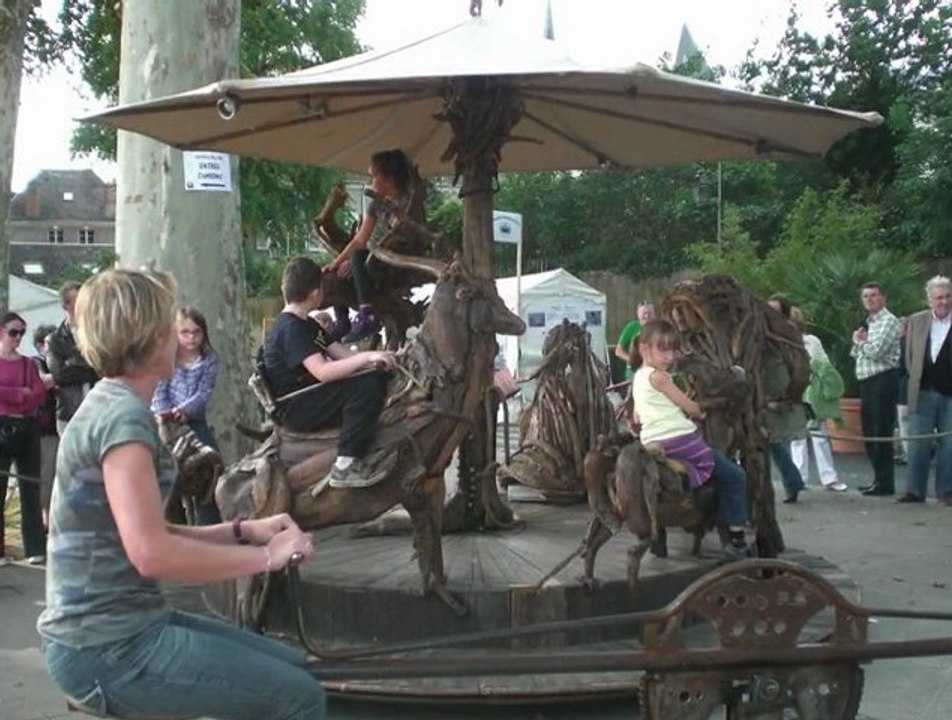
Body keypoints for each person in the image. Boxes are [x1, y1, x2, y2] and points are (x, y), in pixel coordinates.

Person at [37, 269, 323, 720]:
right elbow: (152, 555)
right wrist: (268, 557)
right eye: (171, 326)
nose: (179, 336)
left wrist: (243, 530)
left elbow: (153, 532)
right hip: (105, 648)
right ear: (153, 337)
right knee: (300, 697)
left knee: (298, 670)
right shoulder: (123, 420)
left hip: (122, 630)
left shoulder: (115, 404)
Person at [262, 256, 396, 489]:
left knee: (374, 376)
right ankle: (346, 464)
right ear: (316, 294)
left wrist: (379, 356)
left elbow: (340, 354)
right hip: (296, 406)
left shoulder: (308, 324)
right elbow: (322, 372)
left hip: (308, 394)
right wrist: (367, 358)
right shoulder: (291, 329)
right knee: (364, 389)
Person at [630, 319, 750, 559]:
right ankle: (736, 538)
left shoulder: (638, 378)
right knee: (736, 476)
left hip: (652, 441)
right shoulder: (661, 377)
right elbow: (689, 406)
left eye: (672, 351)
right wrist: (699, 412)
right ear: (644, 348)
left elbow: (636, 416)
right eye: (663, 350)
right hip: (680, 440)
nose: (669, 357)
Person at [325, 148, 413, 343]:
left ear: (388, 179)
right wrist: (336, 263)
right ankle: (342, 321)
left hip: (394, 261)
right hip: (371, 257)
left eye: (373, 176)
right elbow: (359, 239)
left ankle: (368, 316)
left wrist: (357, 261)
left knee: (357, 257)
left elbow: (399, 237)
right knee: (339, 271)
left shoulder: (408, 203)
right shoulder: (376, 205)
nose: (370, 181)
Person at [152, 306, 222, 524]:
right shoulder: (166, 358)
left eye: (196, 332)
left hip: (195, 421)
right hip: (166, 426)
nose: (191, 338)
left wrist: (184, 410)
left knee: (211, 467)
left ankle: (209, 525)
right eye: (185, 332)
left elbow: (204, 394)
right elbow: (159, 391)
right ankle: (173, 526)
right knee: (165, 475)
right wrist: (167, 415)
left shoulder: (209, 359)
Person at [897, 276, 952, 505]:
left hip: (950, 394)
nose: (944, 301)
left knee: (949, 444)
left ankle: (946, 492)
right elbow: (908, 356)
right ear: (930, 300)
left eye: (948, 296)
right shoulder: (916, 321)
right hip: (922, 391)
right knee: (918, 442)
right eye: (939, 297)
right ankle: (914, 491)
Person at [0, 313, 48, 565]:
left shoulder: (28, 364)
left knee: (30, 488)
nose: (18, 337)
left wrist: (14, 396)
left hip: (27, 427)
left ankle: (35, 547)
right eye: (13, 332)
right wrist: (21, 393)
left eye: (22, 332)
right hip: (2, 425)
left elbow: (38, 394)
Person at [788, 307, 848, 492]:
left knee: (819, 436)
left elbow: (825, 365)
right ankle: (799, 479)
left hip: (813, 393)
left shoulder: (812, 341)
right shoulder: (781, 343)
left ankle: (829, 478)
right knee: (797, 438)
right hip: (793, 392)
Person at [851, 281, 901, 497]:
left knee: (881, 431)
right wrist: (860, 343)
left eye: (874, 295)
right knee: (869, 431)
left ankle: (885, 483)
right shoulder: (868, 323)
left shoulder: (888, 321)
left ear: (883, 298)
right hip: (867, 381)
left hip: (883, 380)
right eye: (866, 296)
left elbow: (877, 351)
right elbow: (855, 352)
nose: (870, 299)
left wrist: (861, 343)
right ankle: (878, 479)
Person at [765, 295, 808, 503]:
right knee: (770, 442)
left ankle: (791, 482)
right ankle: (792, 481)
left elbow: (799, 368)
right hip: (767, 394)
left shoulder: (787, 335)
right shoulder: (762, 332)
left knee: (770, 441)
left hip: (777, 394)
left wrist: (787, 396)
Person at [47, 281, 99, 435]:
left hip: (98, 410)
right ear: (66, 306)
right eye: (79, 300)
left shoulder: (98, 333)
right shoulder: (54, 340)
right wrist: (90, 365)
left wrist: (74, 363)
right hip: (70, 413)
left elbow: (107, 366)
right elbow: (59, 375)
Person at [32, 324, 60, 528]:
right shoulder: (36, 362)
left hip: (60, 424)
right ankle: (44, 520)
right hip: (45, 429)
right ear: (40, 345)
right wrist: (67, 375)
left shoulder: (56, 363)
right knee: (46, 476)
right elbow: (43, 382)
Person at [614, 301, 655, 381]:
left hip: (653, 372)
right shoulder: (631, 328)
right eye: (644, 313)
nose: (647, 316)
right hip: (634, 373)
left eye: (649, 313)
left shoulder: (658, 328)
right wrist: (633, 360)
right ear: (638, 314)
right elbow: (618, 351)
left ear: (654, 314)